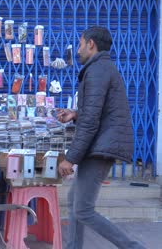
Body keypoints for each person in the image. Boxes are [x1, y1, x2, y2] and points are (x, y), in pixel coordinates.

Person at [57, 26, 144, 249]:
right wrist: (75, 114)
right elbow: (95, 112)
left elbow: (91, 122)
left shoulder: (97, 71)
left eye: (80, 44)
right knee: (75, 200)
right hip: (100, 142)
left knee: (83, 209)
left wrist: (71, 158)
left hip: (100, 146)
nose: (78, 50)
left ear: (91, 44)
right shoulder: (101, 69)